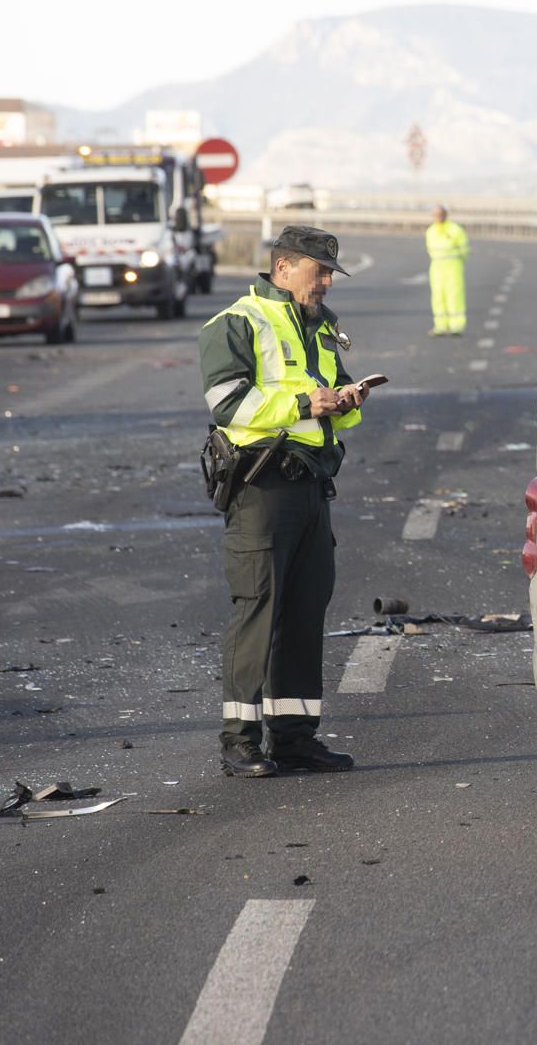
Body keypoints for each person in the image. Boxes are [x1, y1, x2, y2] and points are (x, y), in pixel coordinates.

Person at [198, 226, 370, 777]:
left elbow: (332, 401)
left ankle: (294, 738)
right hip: (262, 487)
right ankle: (239, 741)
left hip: (311, 484)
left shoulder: (322, 326)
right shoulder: (236, 323)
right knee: (258, 611)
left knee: (303, 613)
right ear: (283, 267)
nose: (324, 282)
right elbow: (227, 402)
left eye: (328, 273)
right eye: (318, 271)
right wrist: (303, 403)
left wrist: (346, 400)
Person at [424, 205, 469, 336]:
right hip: (437, 269)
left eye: (440, 214)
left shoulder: (455, 230)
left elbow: (464, 250)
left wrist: (458, 261)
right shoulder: (431, 231)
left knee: (454, 296)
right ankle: (441, 326)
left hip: (453, 268)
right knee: (438, 297)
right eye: (435, 215)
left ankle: (456, 327)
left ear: (445, 215)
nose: (438, 217)